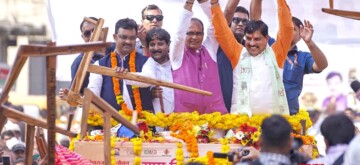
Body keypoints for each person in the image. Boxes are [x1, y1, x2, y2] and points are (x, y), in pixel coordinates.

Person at [211, 0, 293, 116]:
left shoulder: (277, 54)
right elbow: (221, 31)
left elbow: (287, 29)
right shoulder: (238, 53)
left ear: (266, 38)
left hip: (272, 127)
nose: (252, 43)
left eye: (257, 39)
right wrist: (215, 5)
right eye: (248, 38)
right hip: (241, 127)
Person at [169, 0, 227, 114]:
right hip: (186, 120)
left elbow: (213, 25)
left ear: (203, 35)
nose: (194, 37)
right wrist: (189, 2)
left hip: (215, 118)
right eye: (190, 33)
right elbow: (179, 36)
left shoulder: (210, 50)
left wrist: (205, 3)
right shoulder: (177, 55)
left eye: (198, 33)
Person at [217, 0, 276, 112]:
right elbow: (227, 13)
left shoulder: (253, 47)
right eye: (236, 20)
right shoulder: (219, 43)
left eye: (245, 21)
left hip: (244, 111)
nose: (241, 24)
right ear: (229, 22)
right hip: (220, 109)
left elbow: (256, 20)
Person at [88, 18, 153, 112]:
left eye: (132, 38)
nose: (128, 41)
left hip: (142, 124)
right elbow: (93, 95)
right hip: (110, 123)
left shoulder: (146, 61)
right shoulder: (100, 64)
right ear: (115, 37)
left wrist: (126, 77)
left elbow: (149, 80)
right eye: (124, 37)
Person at [119, 27, 174, 114]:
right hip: (155, 122)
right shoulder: (147, 63)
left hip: (182, 118)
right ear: (147, 47)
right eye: (152, 44)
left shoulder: (176, 64)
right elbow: (146, 78)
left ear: (169, 44)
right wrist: (149, 94)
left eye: (160, 44)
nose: (156, 48)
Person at [283, 17, 328, 115]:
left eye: (293, 29)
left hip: (290, 115)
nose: (287, 31)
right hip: (264, 113)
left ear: (300, 36)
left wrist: (309, 42)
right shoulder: (267, 50)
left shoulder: (302, 57)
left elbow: (322, 65)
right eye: (284, 27)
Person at [59, 17, 105, 99]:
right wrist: (69, 96)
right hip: (96, 110)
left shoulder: (116, 50)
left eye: (95, 31)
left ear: (103, 31)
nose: (92, 36)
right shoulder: (79, 62)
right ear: (83, 37)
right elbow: (76, 96)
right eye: (87, 33)